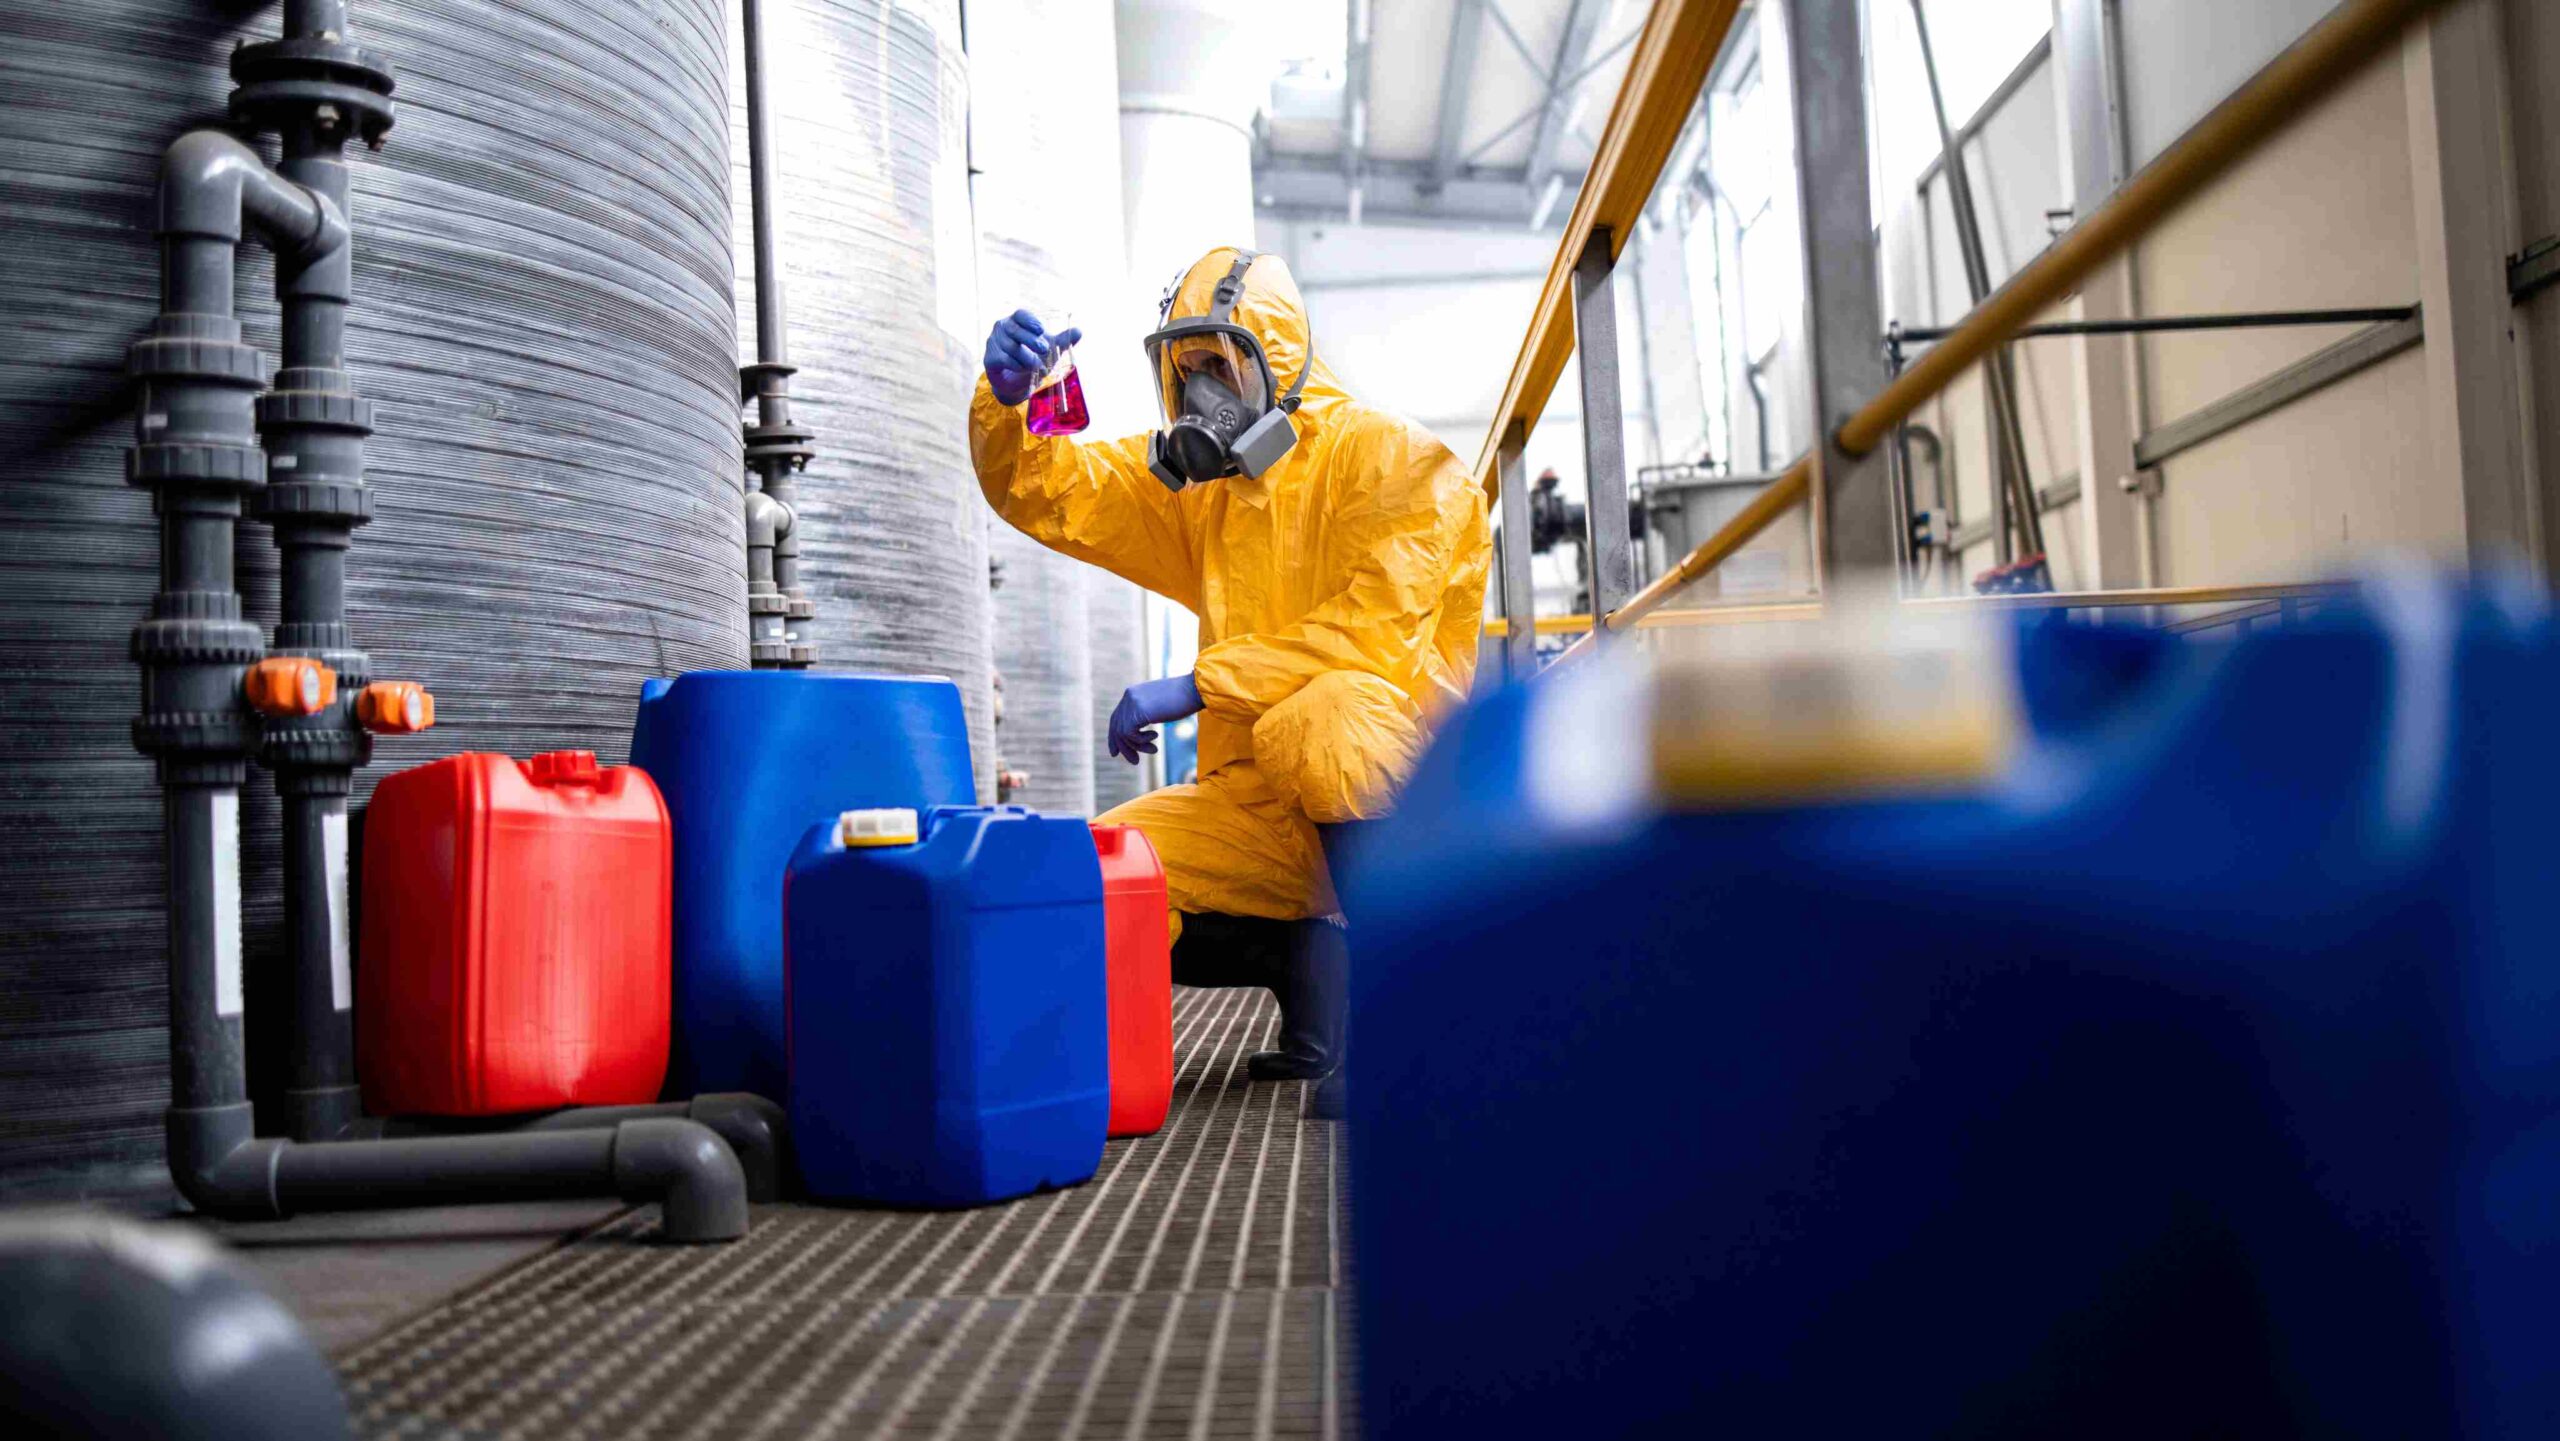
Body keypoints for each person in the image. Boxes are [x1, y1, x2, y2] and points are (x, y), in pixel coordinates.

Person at [970, 247, 1490, 1107]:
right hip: (1257, 807)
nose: (1202, 392)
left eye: (1218, 362)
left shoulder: (1403, 465)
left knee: (1318, 720)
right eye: (1185, 372)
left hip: (1398, 800)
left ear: (1274, 356)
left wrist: (1198, 686)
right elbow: (1048, 488)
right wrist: (1006, 403)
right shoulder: (1205, 493)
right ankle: (1308, 963)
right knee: (1097, 874)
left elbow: (1373, 640)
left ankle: (1412, 1025)